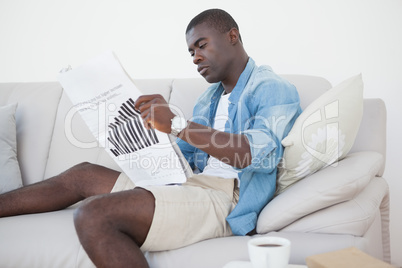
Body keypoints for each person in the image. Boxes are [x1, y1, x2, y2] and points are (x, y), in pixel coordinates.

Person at [0, 8, 301, 268]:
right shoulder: (209, 98)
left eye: (201, 45)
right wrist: (147, 139)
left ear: (232, 36)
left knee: (94, 215)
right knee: (82, 175)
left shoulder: (270, 86)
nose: (196, 57)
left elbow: (258, 155)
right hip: (190, 184)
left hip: (226, 198)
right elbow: (185, 157)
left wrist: (178, 124)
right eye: (191, 52)